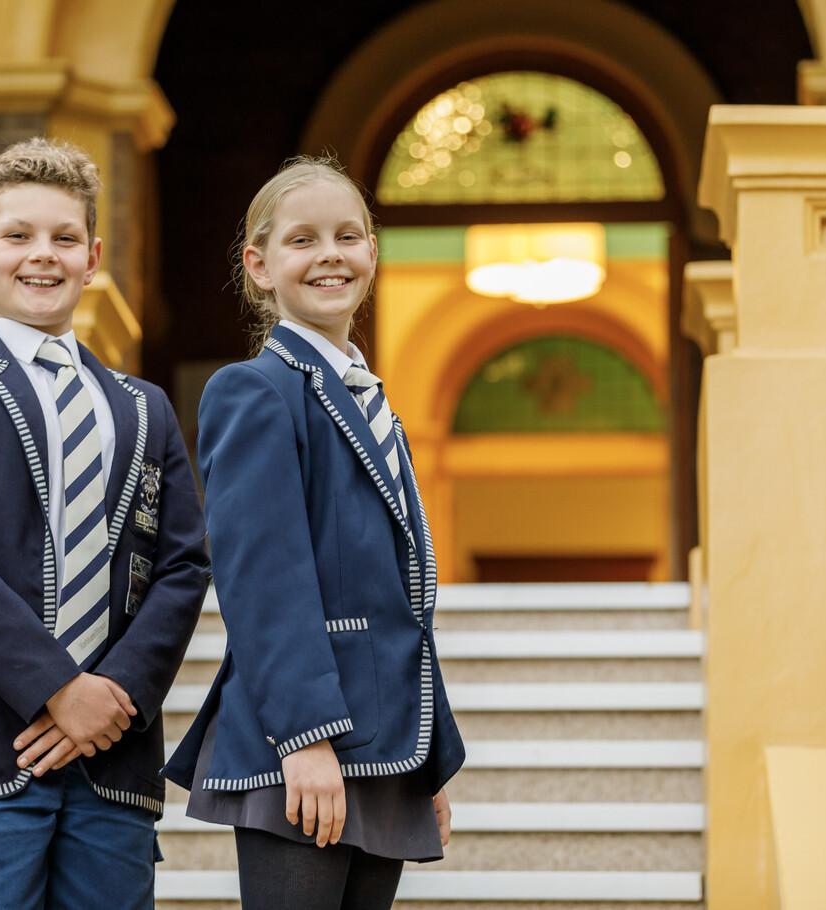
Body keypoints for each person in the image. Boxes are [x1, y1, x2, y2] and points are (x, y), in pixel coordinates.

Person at [0, 137, 209, 910]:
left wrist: (113, 693)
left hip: (113, 765)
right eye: (17, 235)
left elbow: (184, 564)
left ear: (93, 258)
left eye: (64, 237)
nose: (42, 255)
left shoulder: (145, 406)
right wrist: (57, 687)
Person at [164, 156, 465, 910]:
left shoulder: (372, 403)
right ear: (259, 266)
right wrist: (305, 738)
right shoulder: (254, 390)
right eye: (303, 240)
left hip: (386, 743)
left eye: (348, 236)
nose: (330, 254)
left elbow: (402, 601)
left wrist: (425, 753)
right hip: (305, 741)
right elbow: (264, 581)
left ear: (372, 253)